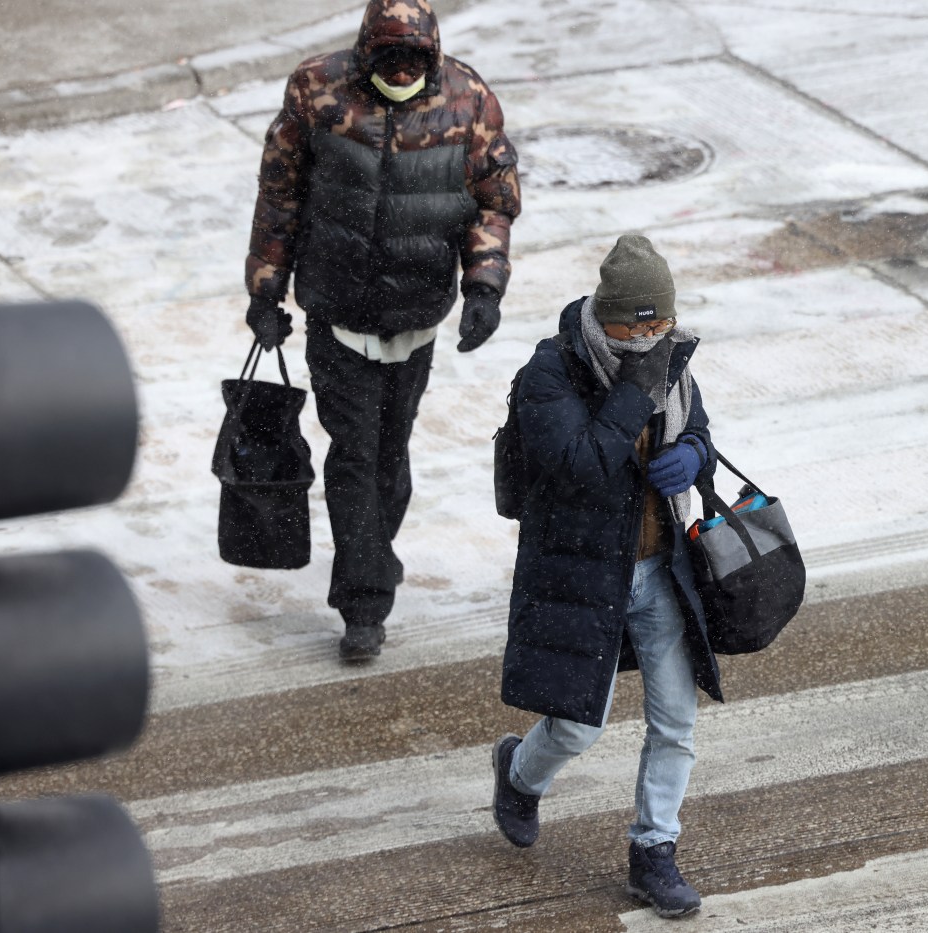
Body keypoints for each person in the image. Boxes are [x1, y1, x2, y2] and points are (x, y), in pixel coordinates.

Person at [241, 0, 521, 660]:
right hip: (336, 316)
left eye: (412, 61)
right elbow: (280, 195)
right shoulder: (316, 90)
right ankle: (363, 603)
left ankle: (373, 560)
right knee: (355, 455)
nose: (399, 72)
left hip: (415, 319)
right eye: (387, 60)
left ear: (432, 58)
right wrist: (265, 290)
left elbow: (494, 201)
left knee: (390, 459)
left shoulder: (469, 99)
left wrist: (483, 286)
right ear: (365, 55)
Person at [490, 235, 722, 919]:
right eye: (639, 325)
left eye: (662, 324)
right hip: (580, 572)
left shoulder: (671, 361)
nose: (653, 337)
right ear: (608, 316)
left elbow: (701, 431)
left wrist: (695, 457)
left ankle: (655, 849)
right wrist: (632, 391)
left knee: (675, 720)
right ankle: (519, 771)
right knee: (575, 727)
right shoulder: (552, 372)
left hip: (660, 571)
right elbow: (580, 468)